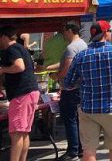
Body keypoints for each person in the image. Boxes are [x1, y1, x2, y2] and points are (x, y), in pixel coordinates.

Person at [64, 21, 112, 161]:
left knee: (89, 150)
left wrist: (84, 80)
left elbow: (68, 83)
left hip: (88, 109)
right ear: (105, 33)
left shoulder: (81, 56)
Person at [45, 23, 87, 161]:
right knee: (78, 120)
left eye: (64, 32)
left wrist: (56, 76)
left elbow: (66, 68)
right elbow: (66, 62)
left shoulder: (71, 47)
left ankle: (72, 150)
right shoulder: (83, 45)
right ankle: (79, 149)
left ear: (70, 31)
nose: (63, 35)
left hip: (70, 89)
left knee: (70, 120)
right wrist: (49, 67)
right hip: (81, 87)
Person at [0, 26, 40, 161]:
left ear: (4, 37)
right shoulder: (21, 48)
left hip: (22, 93)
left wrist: (2, 69)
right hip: (30, 92)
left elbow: (19, 66)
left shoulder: (11, 49)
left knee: (16, 133)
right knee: (23, 132)